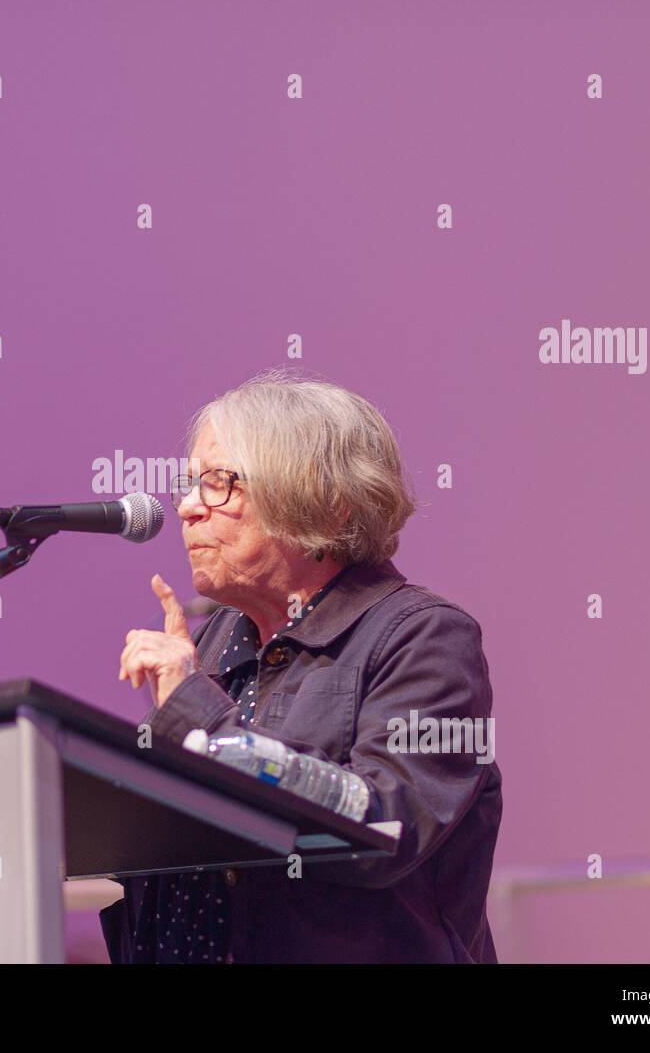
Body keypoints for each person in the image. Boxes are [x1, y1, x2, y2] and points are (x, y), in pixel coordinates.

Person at [105, 369, 502, 963]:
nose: (186, 507)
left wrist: (199, 717)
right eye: (190, 484)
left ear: (325, 501)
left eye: (217, 484)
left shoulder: (425, 636)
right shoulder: (212, 643)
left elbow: (384, 830)